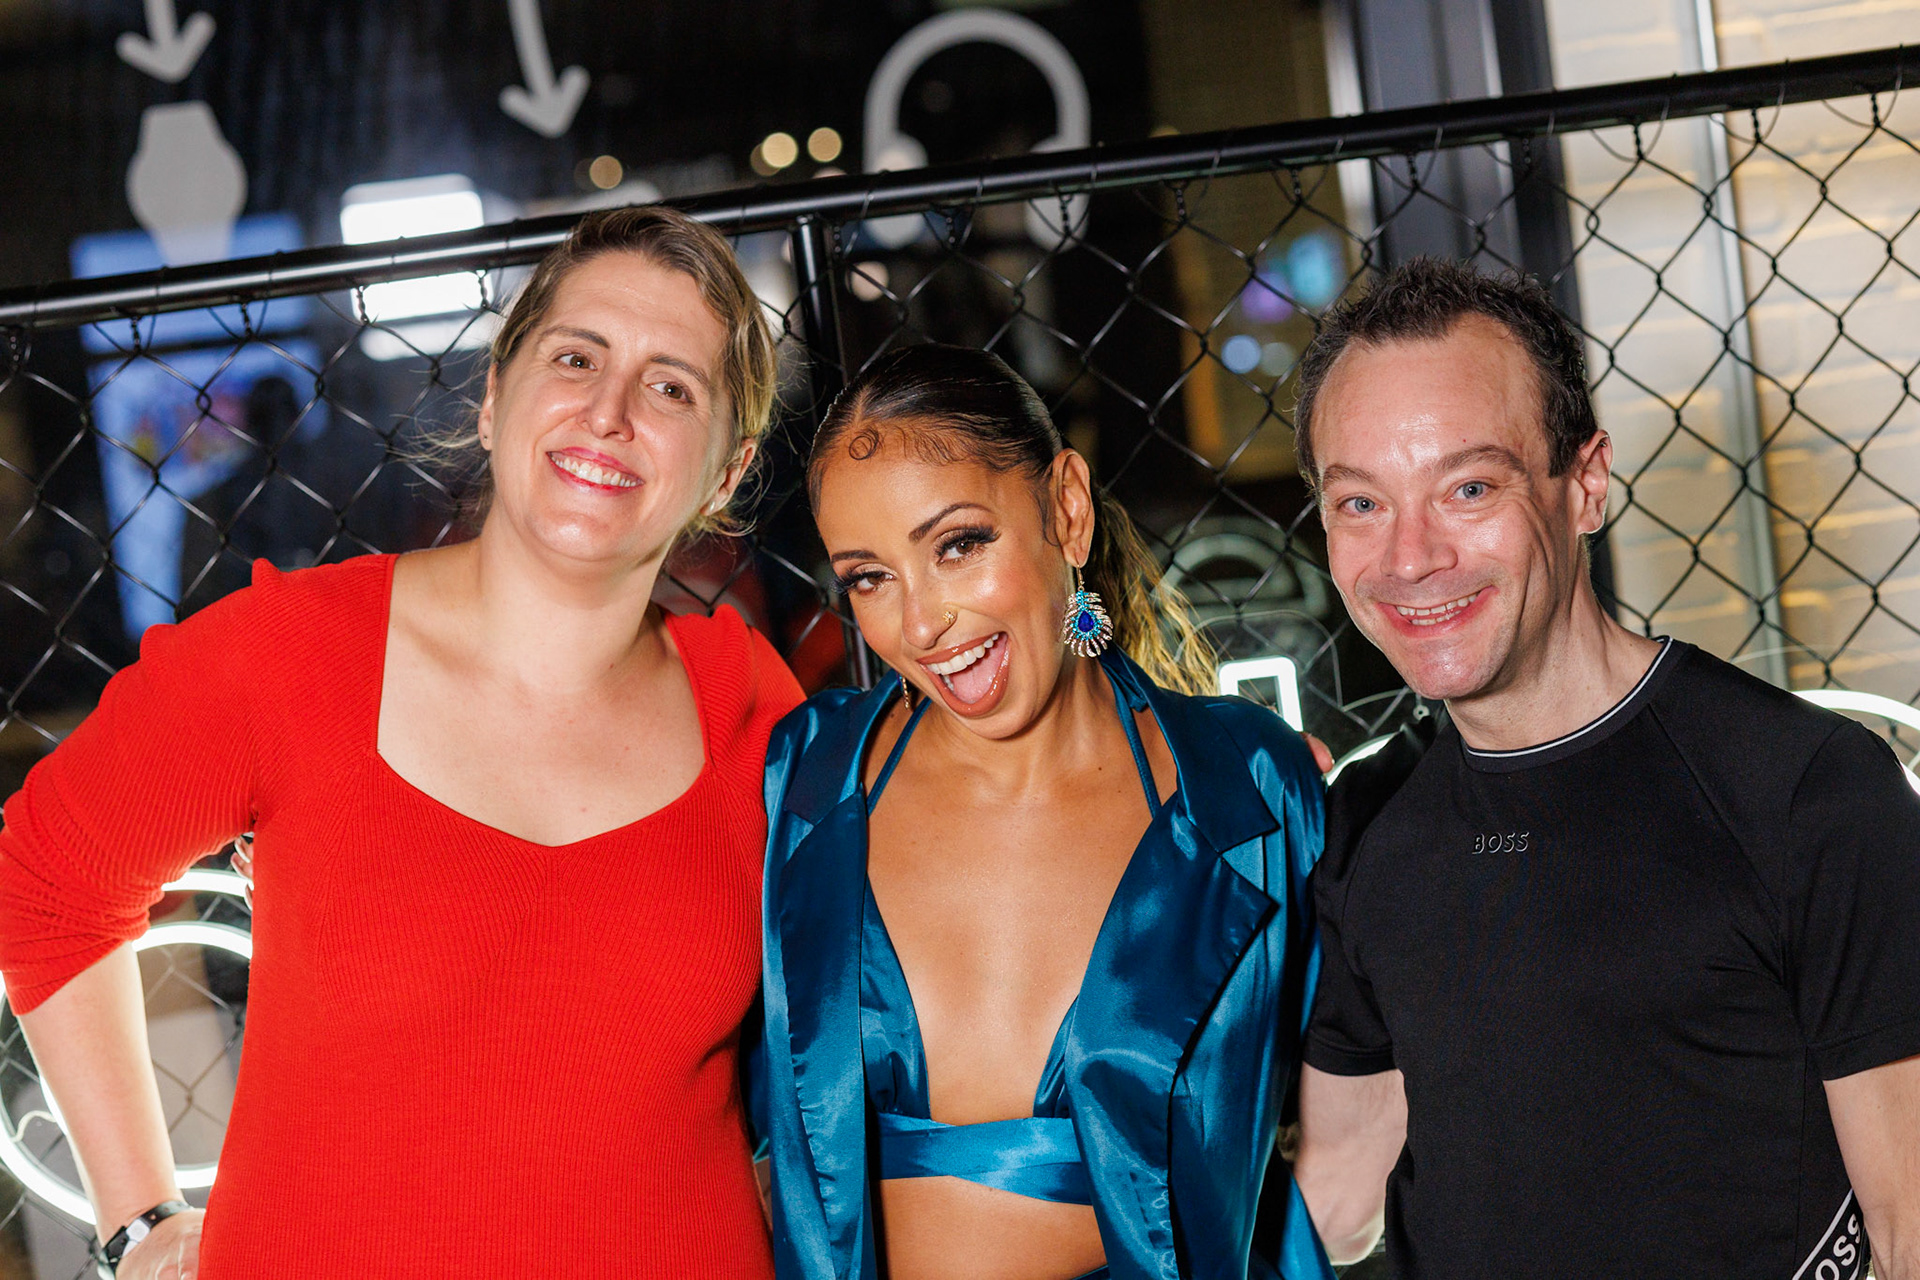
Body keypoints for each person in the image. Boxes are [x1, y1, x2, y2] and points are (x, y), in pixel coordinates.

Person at [0, 206, 803, 1279]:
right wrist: (140, 1221)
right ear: (494, 397)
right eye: (576, 358)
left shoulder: (750, 703)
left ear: (726, 470)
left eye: (672, 387)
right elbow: (45, 880)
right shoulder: (293, 653)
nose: (609, 412)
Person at [1287, 259, 1920, 1279]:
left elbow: (1909, 1224)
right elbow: (1335, 1194)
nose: (1409, 557)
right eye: (1361, 502)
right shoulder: (1364, 817)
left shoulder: (1805, 790)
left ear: (1584, 484)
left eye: (1469, 488)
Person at [755, 344, 1334, 1280]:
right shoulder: (805, 781)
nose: (920, 624)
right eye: (869, 577)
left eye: (957, 545)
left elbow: (1344, 1106)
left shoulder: (1247, 788)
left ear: (1066, 508)